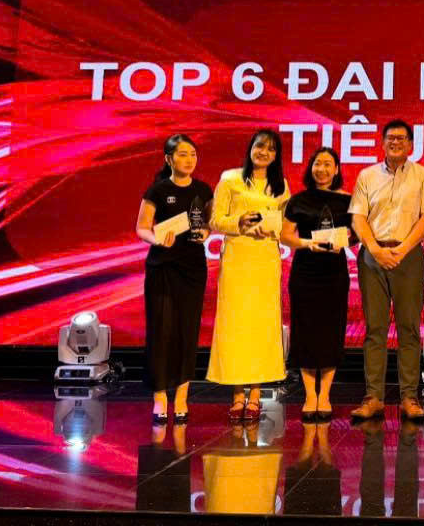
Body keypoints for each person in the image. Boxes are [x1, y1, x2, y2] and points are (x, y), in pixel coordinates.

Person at [347, 119, 424, 422]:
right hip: (373, 256)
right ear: (382, 143)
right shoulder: (367, 175)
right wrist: (375, 249)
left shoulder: (423, 175)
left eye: (401, 138)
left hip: (408, 255)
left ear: (411, 144)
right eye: (390, 138)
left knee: (409, 327)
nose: (395, 142)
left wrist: (402, 249)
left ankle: (409, 397)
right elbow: (358, 217)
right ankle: (373, 397)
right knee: (375, 328)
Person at [207, 129, 290, 422]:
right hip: (237, 258)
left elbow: (286, 226)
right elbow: (215, 220)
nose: (264, 152)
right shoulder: (230, 179)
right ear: (250, 148)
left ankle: (255, 394)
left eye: (271, 149)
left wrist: (274, 228)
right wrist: (239, 221)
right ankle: (237, 394)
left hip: (265, 259)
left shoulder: (281, 186)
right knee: (236, 325)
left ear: (276, 156)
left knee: (261, 326)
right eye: (260, 146)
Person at [134, 133, 212, 424]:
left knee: (187, 331)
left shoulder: (204, 189)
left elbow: (209, 223)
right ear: (168, 159)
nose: (189, 160)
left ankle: (181, 396)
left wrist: (205, 233)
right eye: (182, 154)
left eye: (193, 154)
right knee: (161, 330)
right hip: (163, 268)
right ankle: (159, 396)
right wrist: (155, 239)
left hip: (192, 268)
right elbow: (142, 227)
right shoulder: (158, 189)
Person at [280, 146, 354, 420]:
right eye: (317, 164)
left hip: (334, 273)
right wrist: (306, 243)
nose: (321, 169)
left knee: (331, 331)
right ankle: (310, 395)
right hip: (305, 273)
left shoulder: (348, 200)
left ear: (336, 170)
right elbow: (285, 235)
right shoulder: (298, 200)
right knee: (306, 332)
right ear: (311, 168)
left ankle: (325, 395)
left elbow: (358, 234)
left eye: (327, 164)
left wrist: (345, 240)